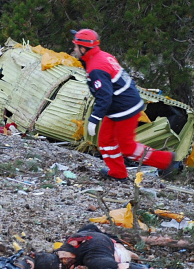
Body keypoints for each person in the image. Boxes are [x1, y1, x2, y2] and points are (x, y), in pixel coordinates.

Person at [71, 29, 183, 181]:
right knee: (105, 141)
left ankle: (166, 161)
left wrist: (94, 118)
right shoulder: (102, 56)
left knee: (127, 147)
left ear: (84, 49)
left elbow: (104, 96)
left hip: (124, 108)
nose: (74, 49)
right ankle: (118, 173)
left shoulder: (95, 68)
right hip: (120, 106)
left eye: (76, 46)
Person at [15, 225, 170, 269]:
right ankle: (128, 253)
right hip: (106, 241)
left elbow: (114, 267)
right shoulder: (72, 240)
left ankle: (143, 265)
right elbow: (91, 227)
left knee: (102, 266)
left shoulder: (93, 257)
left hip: (111, 250)